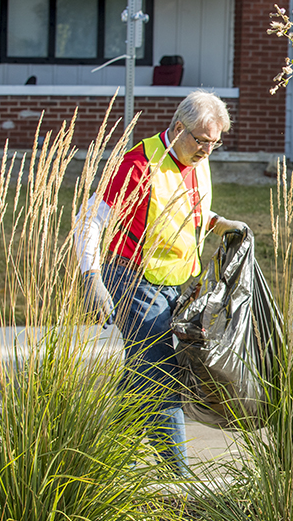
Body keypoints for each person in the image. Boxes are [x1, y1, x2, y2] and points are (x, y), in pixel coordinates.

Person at [74, 89, 246, 475]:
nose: (207, 151)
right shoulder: (138, 164)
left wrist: (219, 223)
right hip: (133, 279)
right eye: (202, 141)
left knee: (142, 371)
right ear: (178, 127)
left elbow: (187, 207)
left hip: (176, 287)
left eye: (214, 144)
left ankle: (97, 462)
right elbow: (90, 219)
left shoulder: (198, 162)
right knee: (159, 371)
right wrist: (92, 277)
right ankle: (179, 476)